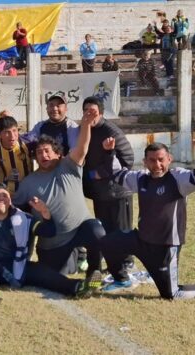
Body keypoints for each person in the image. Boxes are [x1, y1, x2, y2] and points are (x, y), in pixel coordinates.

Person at [98, 137, 195, 300]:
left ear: (169, 159)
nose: (157, 165)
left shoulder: (178, 179)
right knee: (106, 243)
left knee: (171, 294)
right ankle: (121, 280)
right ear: (145, 162)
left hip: (166, 247)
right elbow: (118, 175)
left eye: (161, 160)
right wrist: (108, 152)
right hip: (141, 240)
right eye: (152, 160)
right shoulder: (141, 178)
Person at [0, 184, 101, 304]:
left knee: (45, 274)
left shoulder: (23, 218)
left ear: (10, 199)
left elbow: (49, 231)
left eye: (4, 195)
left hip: (18, 264)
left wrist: (44, 211)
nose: (1, 198)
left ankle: (78, 287)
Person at [12, 109, 105, 284]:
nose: (43, 155)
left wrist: (85, 125)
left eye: (47, 151)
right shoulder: (28, 182)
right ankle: (76, 257)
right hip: (53, 243)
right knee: (57, 273)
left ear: (58, 154)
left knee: (97, 231)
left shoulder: (69, 165)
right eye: (39, 153)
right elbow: (14, 210)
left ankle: (94, 272)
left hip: (80, 229)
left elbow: (82, 147)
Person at [79, 96, 135, 271]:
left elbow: (128, 158)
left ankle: (126, 264)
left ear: (101, 112)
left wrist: (99, 173)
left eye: (93, 111)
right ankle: (113, 265)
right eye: (85, 110)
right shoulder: (85, 130)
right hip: (100, 194)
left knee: (121, 230)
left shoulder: (111, 131)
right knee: (105, 231)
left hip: (118, 192)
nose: (89, 114)